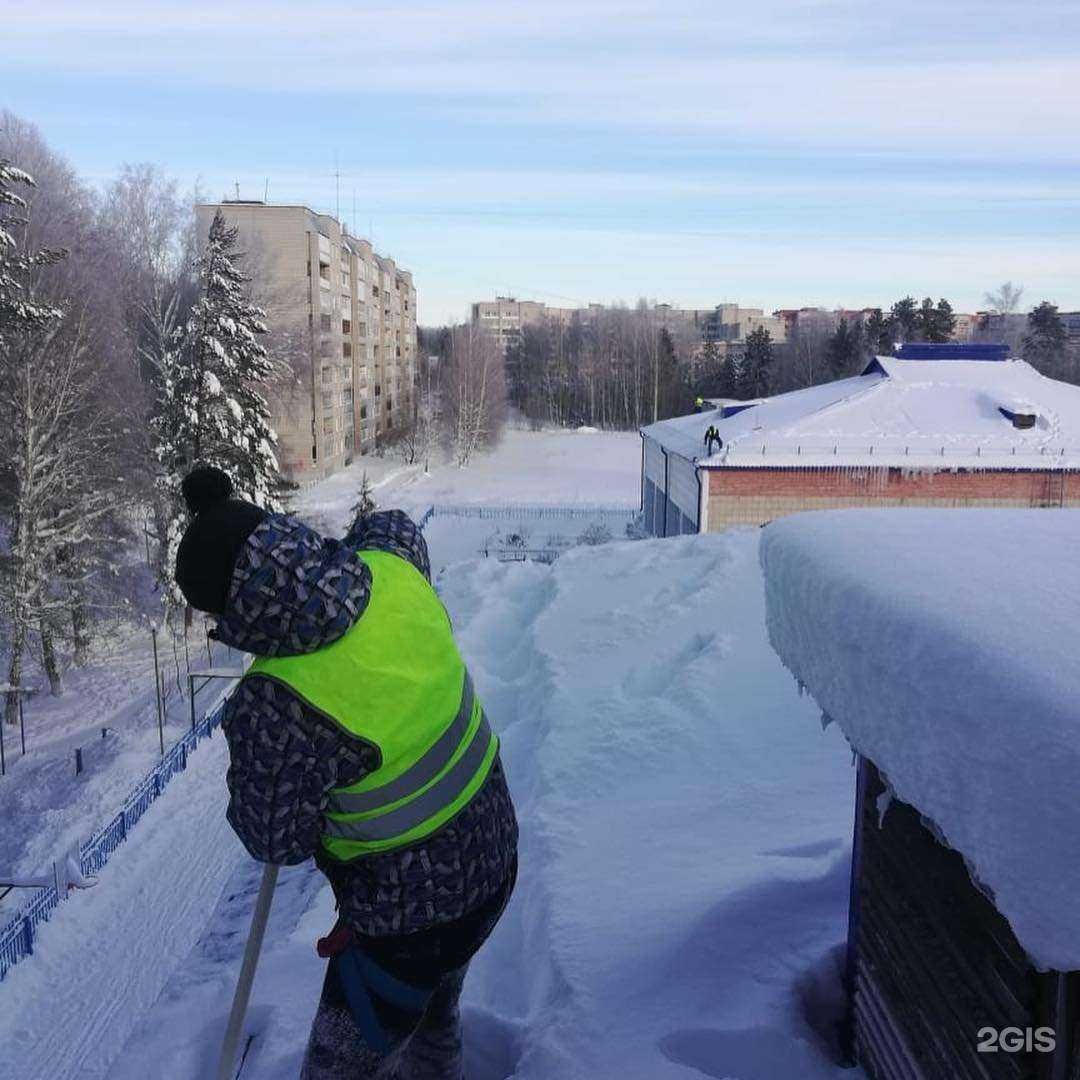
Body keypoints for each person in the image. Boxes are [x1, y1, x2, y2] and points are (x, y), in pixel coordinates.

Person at [174, 465, 518, 1080]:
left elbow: (274, 840)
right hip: (493, 854)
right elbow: (395, 525)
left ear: (233, 611)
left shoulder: (276, 700)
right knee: (434, 1008)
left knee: (342, 1064)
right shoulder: (390, 568)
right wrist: (326, 560)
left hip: (410, 918)